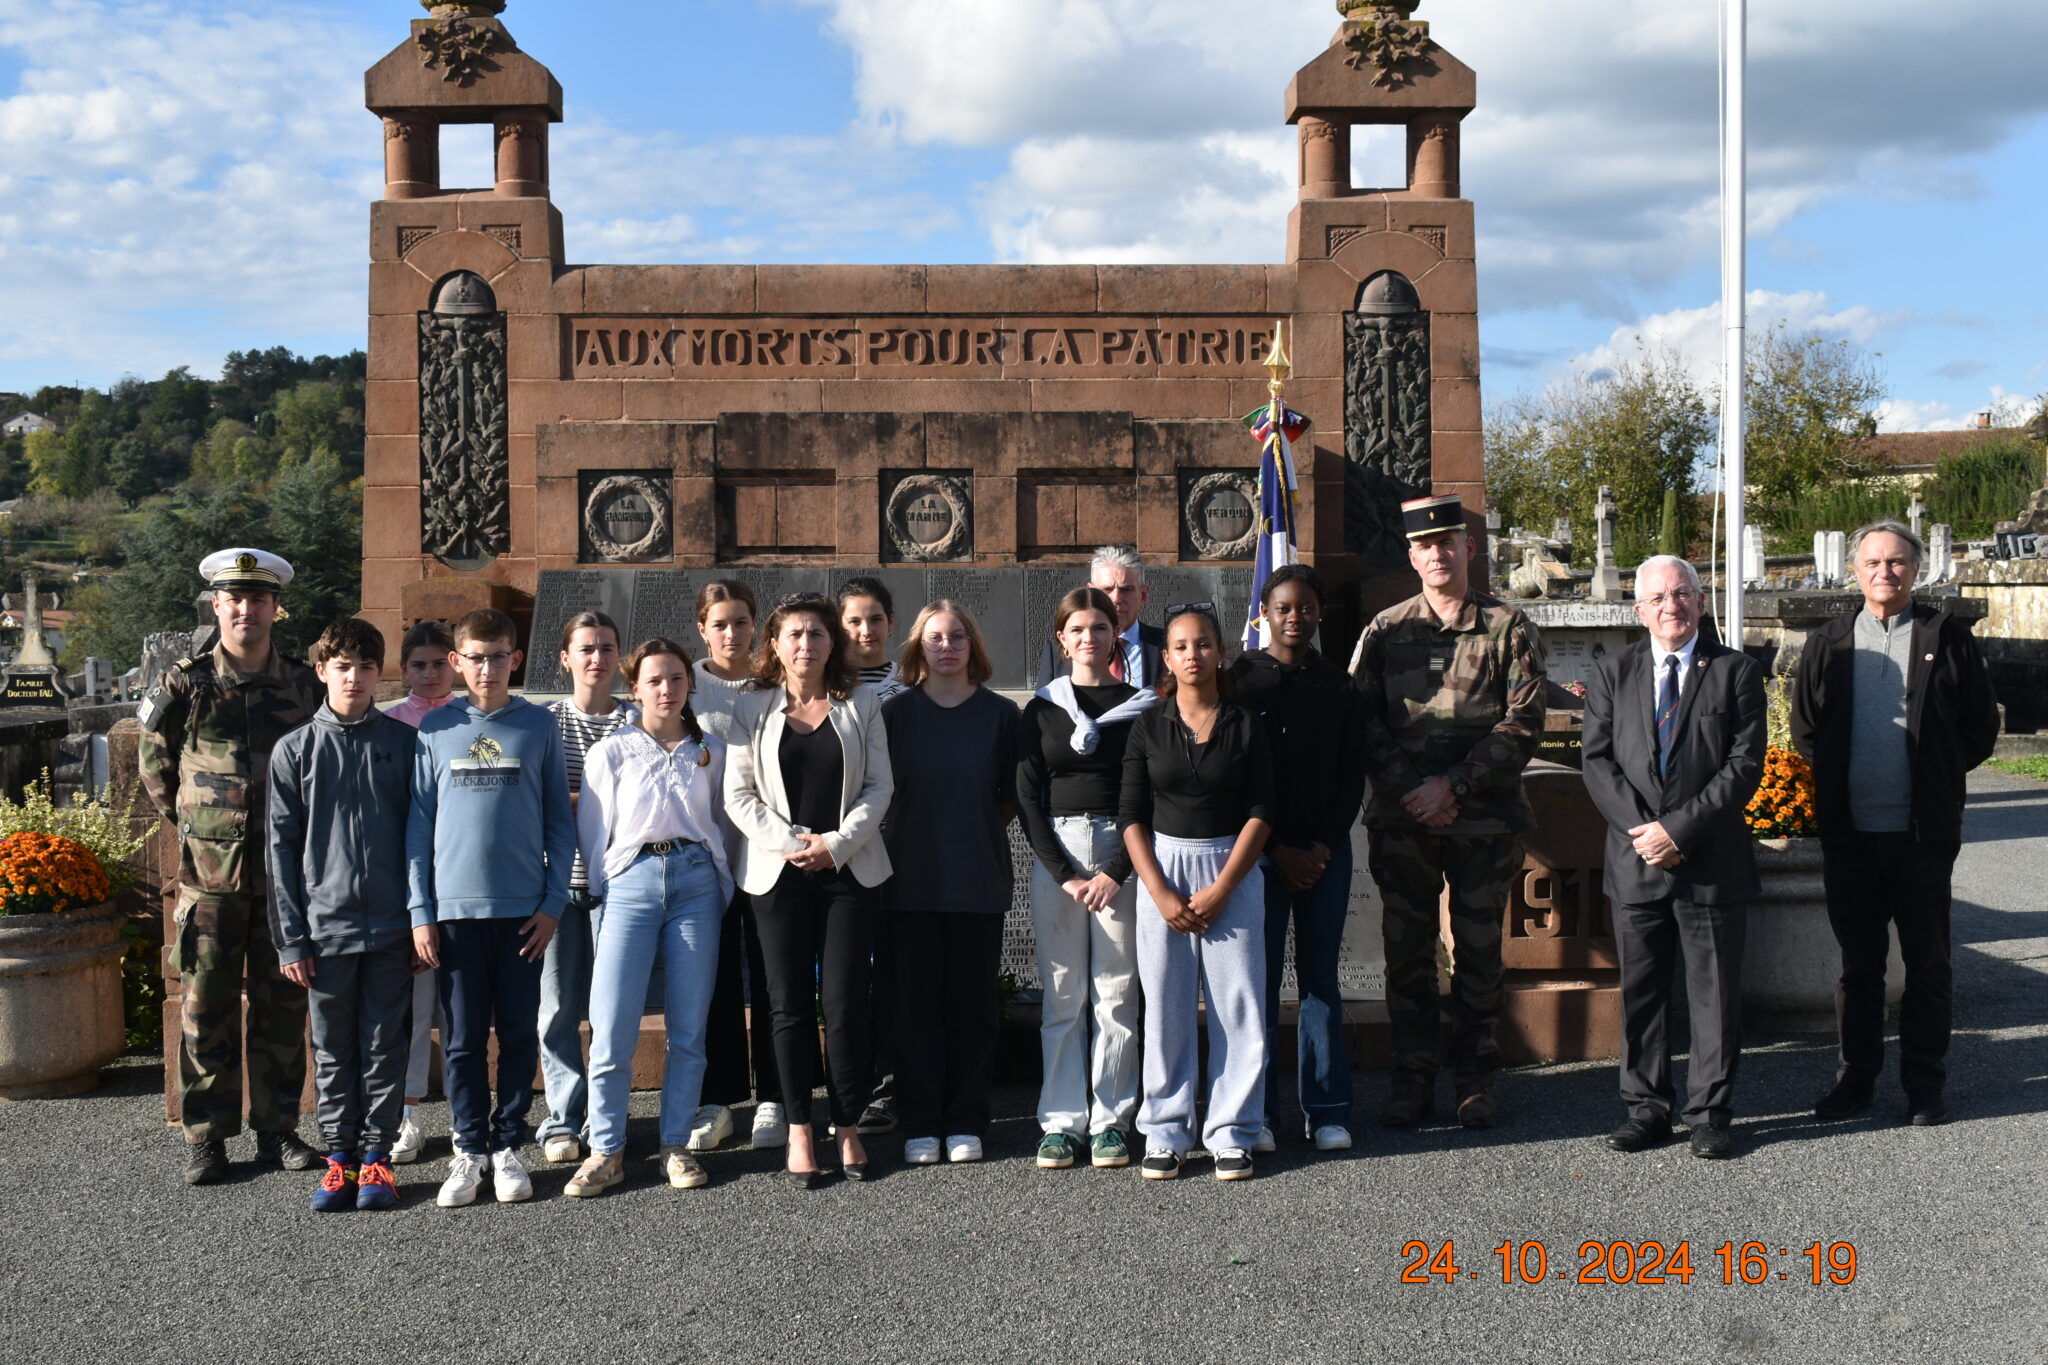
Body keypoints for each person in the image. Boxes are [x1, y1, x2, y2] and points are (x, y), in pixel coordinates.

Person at [1348, 495, 1545, 1130]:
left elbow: (1525, 722)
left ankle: (1475, 1079)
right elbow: (1362, 722)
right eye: (1424, 546)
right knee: (1407, 953)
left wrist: (1452, 787)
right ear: (1412, 556)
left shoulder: (1508, 627)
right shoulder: (1384, 630)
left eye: (1448, 543)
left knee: (1480, 952)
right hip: (1405, 822)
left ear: (1468, 549)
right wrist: (1413, 789)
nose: (1437, 554)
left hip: (1483, 823)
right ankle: (1412, 1079)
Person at [1792, 520, 1999, 1127]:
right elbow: (1808, 730)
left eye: (1898, 562)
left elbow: (1979, 728)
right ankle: (1856, 1079)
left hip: (1921, 838)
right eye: (1874, 562)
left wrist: (1934, 774)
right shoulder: (1828, 642)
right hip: (1850, 835)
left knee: (1928, 963)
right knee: (1859, 968)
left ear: (1916, 569)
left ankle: (1924, 1084)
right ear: (1854, 571)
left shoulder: (1947, 637)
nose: (1886, 571)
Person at [138, 547, 324, 1186]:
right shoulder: (185, 683)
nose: (247, 609)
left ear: (277, 608)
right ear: (216, 605)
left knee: (282, 1007)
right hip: (210, 882)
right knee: (205, 1008)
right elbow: (155, 766)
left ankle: (278, 1131)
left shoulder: (305, 684)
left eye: (258, 599)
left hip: (283, 883)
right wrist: (197, 830)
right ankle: (208, 1138)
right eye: (234, 599)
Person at [1581, 556, 1765, 1159]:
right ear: (1639, 610)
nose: (1671, 606)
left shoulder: (1735, 672)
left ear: (1700, 601)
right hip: (1635, 860)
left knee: (1714, 996)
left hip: (1709, 861)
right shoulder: (1613, 671)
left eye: (1682, 594)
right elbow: (1598, 762)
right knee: (1642, 993)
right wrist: (1646, 831)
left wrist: (1678, 832)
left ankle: (1710, 1113)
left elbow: (1743, 767)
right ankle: (1646, 1109)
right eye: (1658, 598)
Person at [723, 593, 894, 1187]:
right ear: (774, 644)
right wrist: (797, 843)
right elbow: (738, 795)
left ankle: (846, 1124)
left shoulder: (862, 702)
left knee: (845, 1003)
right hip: (778, 876)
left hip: (850, 873)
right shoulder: (754, 709)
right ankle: (800, 1127)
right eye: (793, 634)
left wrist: (835, 845)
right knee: (787, 1004)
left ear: (832, 644)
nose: (805, 645)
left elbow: (879, 787)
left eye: (817, 634)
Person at [407, 608, 576, 1207]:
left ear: (516, 658)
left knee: (518, 1034)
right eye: (475, 657)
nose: (487, 667)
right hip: (454, 912)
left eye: (498, 655)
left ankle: (508, 1144)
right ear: (456, 662)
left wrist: (554, 903)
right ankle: (468, 1147)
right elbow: (417, 832)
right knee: (461, 1040)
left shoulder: (538, 725)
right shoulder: (432, 731)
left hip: (524, 912)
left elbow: (560, 820)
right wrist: (420, 911)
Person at [564, 639, 733, 1197]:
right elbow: (593, 834)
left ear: (690, 686)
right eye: (654, 680)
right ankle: (606, 1150)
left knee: (689, 1026)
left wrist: (719, 882)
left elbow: (719, 823)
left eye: (677, 679)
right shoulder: (610, 753)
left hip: (695, 884)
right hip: (631, 882)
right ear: (634, 688)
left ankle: (675, 1144)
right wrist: (603, 893)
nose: (666, 689)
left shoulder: (710, 749)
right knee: (612, 1025)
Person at [1119, 604, 1275, 1181]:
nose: (1193, 655)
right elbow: (1130, 814)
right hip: (1163, 867)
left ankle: (1233, 1130)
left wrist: (1223, 887)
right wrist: (1158, 891)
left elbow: (1262, 811)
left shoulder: (1245, 724)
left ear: (1220, 652)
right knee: (1165, 1004)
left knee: (1239, 1003)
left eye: (1204, 644)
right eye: (1181, 646)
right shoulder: (1148, 726)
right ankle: (1166, 1130)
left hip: (1230, 865)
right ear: (1168, 656)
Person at [266, 618, 417, 1211]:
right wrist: (291, 939)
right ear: (322, 671)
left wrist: (418, 920)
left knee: (384, 1045)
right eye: (343, 666)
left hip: (390, 926)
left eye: (366, 666)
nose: (355, 677)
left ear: (381, 674)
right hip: (323, 932)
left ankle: (377, 1160)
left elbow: (420, 840)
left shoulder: (405, 744)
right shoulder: (295, 751)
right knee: (332, 1049)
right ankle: (339, 1160)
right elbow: (279, 851)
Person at [1017, 586, 1157, 1170]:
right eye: (1077, 629)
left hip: (1122, 851)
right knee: (1064, 994)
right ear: (1062, 639)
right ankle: (1061, 1122)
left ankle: (1111, 1122)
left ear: (1114, 636)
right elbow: (1028, 796)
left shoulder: (1142, 706)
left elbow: (1150, 791)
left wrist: (1117, 873)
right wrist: (1068, 876)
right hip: (1062, 850)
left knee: (1118, 994)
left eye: (1099, 627)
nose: (1088, 638)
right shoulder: (1043, 708)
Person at [1230, 564, 1367, 1155]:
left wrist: (1320, 847)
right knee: (1254, 984)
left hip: (1323, 856)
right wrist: (1275, 848)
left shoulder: (1339, 686)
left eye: (1306, 608)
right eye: (1283, 607)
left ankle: (1327, 1108)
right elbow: (1231, 778)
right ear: (1265, 612)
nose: (1295, 617)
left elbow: (1350, 777)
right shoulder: (1236, 682)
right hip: (1256, 857)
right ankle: (1258, 1113)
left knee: (1319, 983)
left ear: (1319, 615)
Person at [881, 602, 1021, 1166]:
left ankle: (965, 1120)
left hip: (976, 877)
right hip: (908, 879)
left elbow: (1012, 797)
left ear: (973, 645)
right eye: (935, 637)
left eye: (957, 636)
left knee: (973, 1007)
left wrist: (971, 828)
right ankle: (920, 1121)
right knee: (914, 1007)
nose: (947, 646)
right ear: (919, 647)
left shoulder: (1001, 715)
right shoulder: (895, 716)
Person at [537, 611, 638, 1167]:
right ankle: (561, 1120)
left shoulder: (640, 722)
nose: (597, 658)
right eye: (586, 648)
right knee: (555, 1008)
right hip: (555, 886)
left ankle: (607, 1119)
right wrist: (592, 799)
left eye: (607, 646)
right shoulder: (544, 723)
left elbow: (642, 805)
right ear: (566, 658)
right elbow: (536, 801)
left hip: (619, 886)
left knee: (611, 1010)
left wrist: (574, 798)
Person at [690, 579, 788, 1150]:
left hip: (768, 855)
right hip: (708, 859)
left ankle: (775, 1095)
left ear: (757, 628)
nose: (732, 633)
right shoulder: (685, 687)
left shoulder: (777, 686)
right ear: (703, 628)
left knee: (775, 978)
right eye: (720, 623)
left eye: (742, 622)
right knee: (716, 981)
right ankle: (719, 1097)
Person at [385, 620, 458, 1165]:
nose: (430, 674)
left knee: (460, 1010)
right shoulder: (389, 724)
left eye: (439, 663)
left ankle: (465, 1113)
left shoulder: (467, 719)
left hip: (463, 881)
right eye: (419, 665)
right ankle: (407, 1112)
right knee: (413, 1008)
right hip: (410, 883)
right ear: (404, 668)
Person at [838, 575, 907, 1137]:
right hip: (842, 853)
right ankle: (848, 1086)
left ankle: (888, 1086)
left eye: (875, 619)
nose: (865, 630)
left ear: (891, 623)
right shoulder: (822, 688)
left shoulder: (914, 685)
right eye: (854, 621)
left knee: (893, 973)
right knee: (843, 976)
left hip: (901, 848)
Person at [1035, 545, 1166, 687]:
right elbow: (1044, 707)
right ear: (1091, 593)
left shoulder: (1168, 646)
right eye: (1107, 589)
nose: (1116, 598)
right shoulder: (1056, 652)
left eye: (1126, 589)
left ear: (1143, 595)